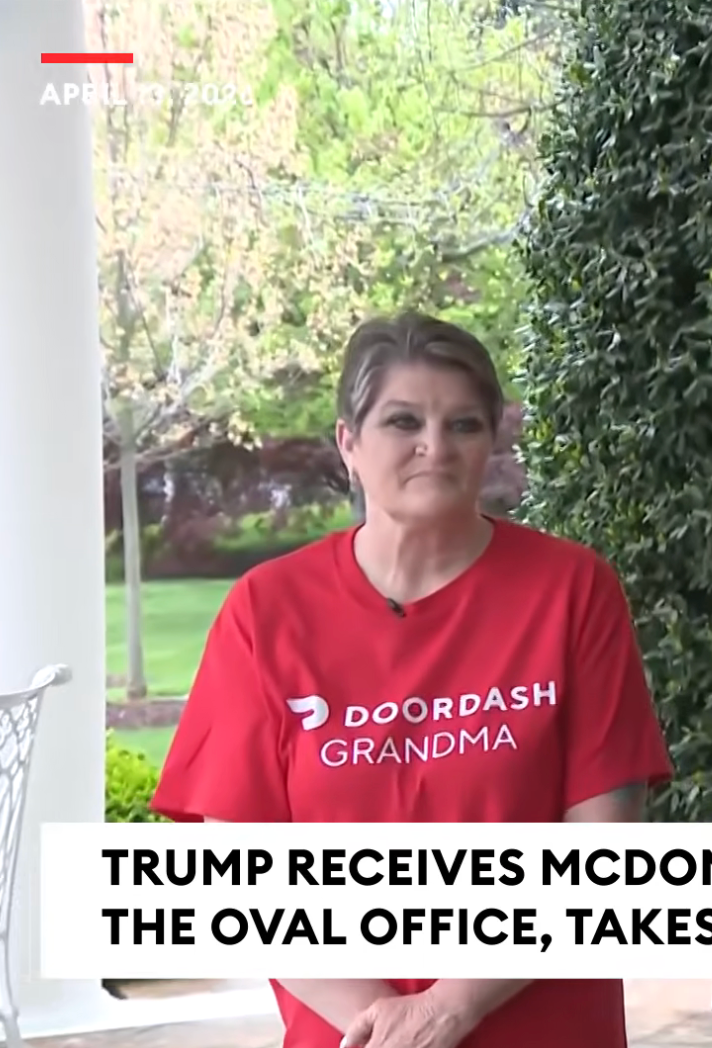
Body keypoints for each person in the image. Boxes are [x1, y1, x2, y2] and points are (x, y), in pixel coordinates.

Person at [150, 311, 674, 1048]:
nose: (436, 445)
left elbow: (602, 849)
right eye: (404, 421)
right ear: (348, 442)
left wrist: (451, 1007)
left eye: (464, 424)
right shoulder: (266, 613)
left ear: (491, 441)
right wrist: (381, 1027)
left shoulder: (572, 592)